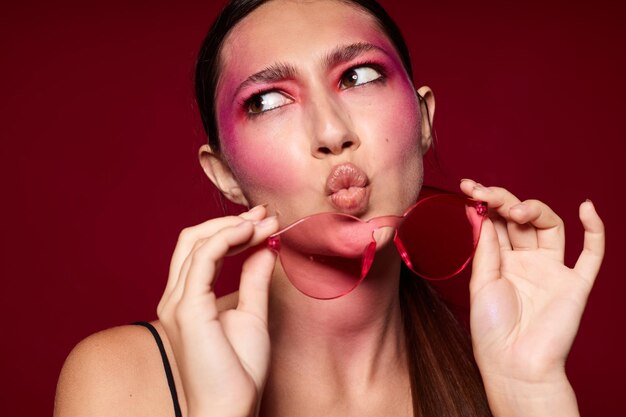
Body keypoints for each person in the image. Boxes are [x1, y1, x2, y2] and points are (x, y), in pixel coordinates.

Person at [53, 0, 606, 416]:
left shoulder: (494, 364)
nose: (331, 132)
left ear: (425, 121)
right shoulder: (122, 379)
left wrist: (529, 391)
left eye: (358, 75)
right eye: (267, 101)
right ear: (225, 175)